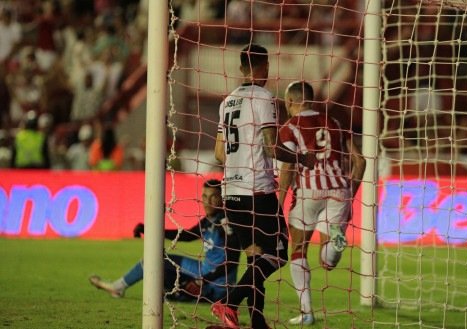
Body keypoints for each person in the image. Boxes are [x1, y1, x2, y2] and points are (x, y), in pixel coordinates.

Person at [211, 44, 315, 329]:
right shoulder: (265, 97)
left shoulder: (227, 102)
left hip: (230, 192)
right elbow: (271, 148)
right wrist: (301, 157)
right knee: (278, 254)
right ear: (265, 67)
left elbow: (220, 153)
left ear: (241, 67)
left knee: (256, 257)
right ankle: (229, 304)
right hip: (257, 191)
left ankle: (257, 321)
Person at [278, 81, 366, 325]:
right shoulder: (335, 123)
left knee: (298, 249)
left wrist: (279, 201)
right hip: (339, 190)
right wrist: (350, 193)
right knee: (327, 263)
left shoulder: (290, 127)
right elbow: (360, 162)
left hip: (308, 191)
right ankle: (337, 239)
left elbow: (288, 166)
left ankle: (307, 313)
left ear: (291, 101)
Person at [89, 179, 240, 303]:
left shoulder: (226, 222)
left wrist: (202, 281)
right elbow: (186, 236)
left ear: (221, 198)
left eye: (213, 196)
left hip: (218, 284)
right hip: (203, 271)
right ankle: (121, 286)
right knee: (156, 260)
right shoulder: (208, 220)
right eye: (204, 196)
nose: (207, 201)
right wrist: (151, 230)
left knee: (166, 277)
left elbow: (232, 261)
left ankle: (183, 293)